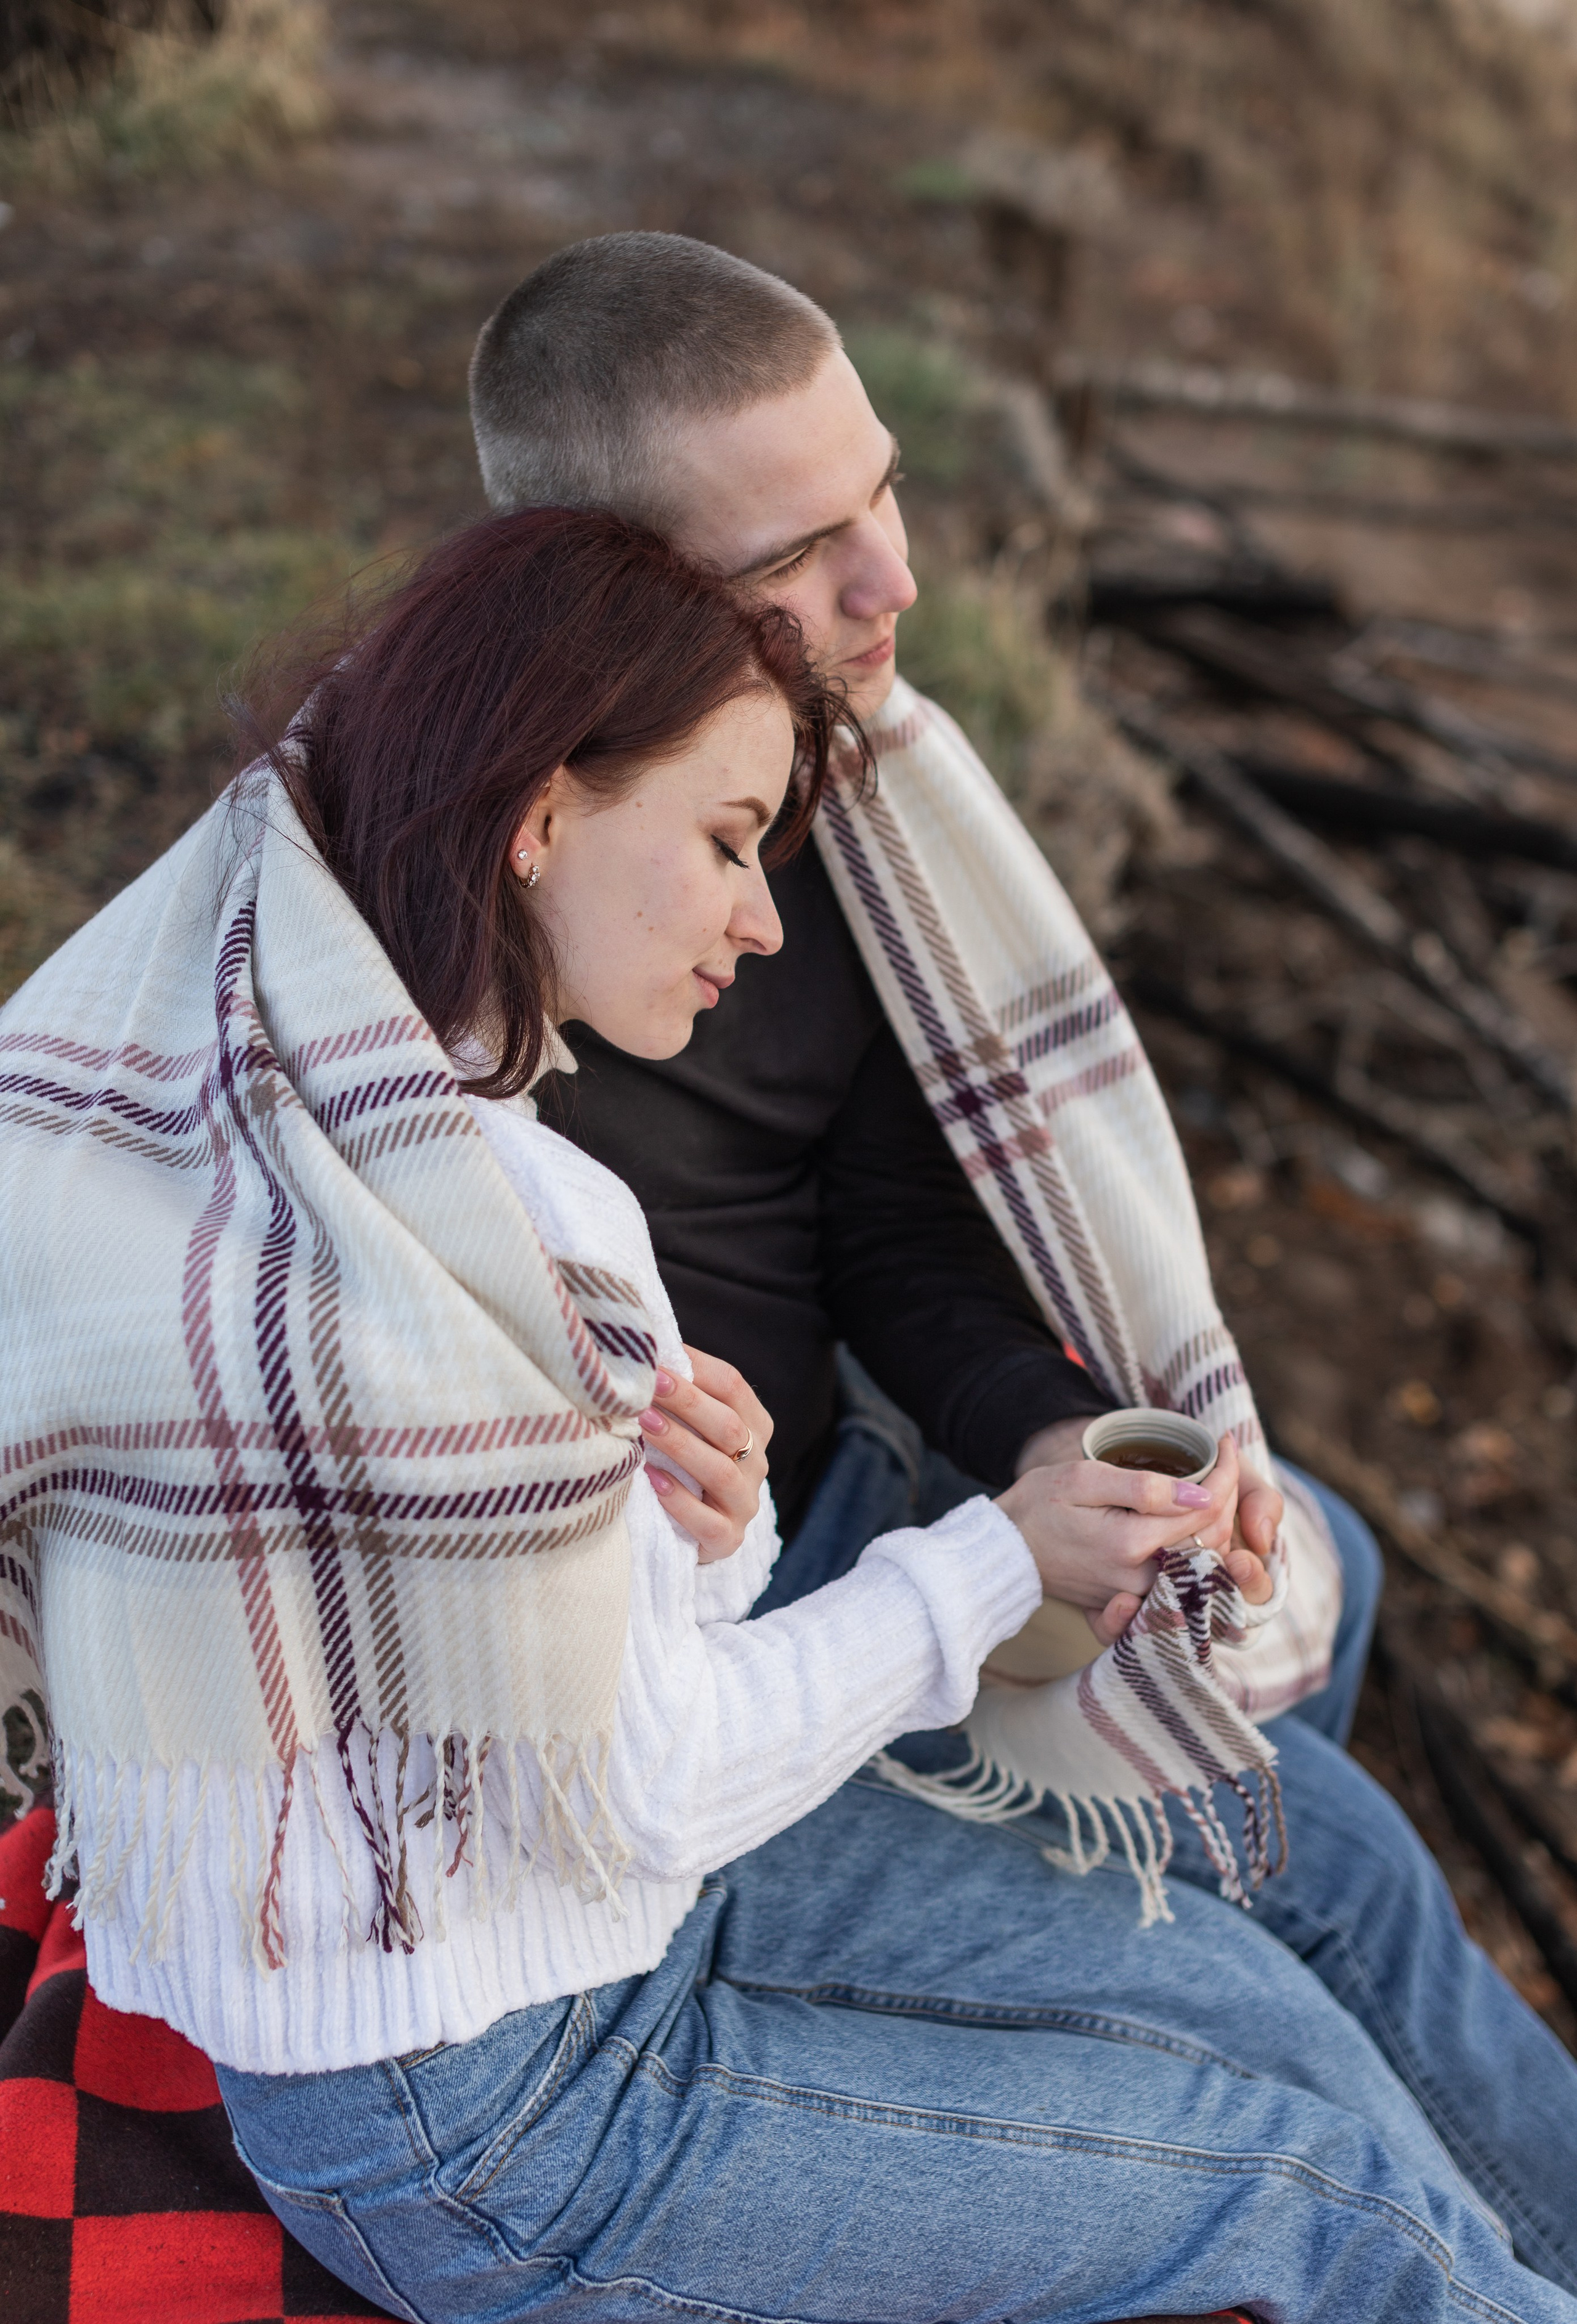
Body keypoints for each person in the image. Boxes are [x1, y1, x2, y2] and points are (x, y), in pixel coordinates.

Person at [1, 503, 1566, 2323]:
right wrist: (996, 1559)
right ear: (539, 814)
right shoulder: (464, 1258)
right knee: (1325, 2192)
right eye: (732, 841)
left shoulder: (353, 1115)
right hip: (498, 2124)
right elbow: (647, 1786)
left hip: (582, 1936)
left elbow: (586, 1704)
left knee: (1269, 2009)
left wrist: (719, 1527)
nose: (759, 913)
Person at [457, 232, 1577, 2286]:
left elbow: (878, 1223)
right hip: (711, 1621)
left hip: (848, 1484)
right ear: (605, 585)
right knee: (1324, 1867)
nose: (897, 579)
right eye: (809, 547)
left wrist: (1077, 1443)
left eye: (879, 486)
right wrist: (962, 1558)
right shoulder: (485, 905)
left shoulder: (855, 796)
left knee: (1327, 1551)